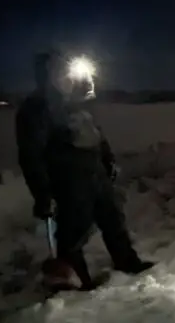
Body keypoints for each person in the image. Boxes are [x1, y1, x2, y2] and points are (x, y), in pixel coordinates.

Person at [16, 50, 153, 290]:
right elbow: (31, 155)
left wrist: (108, 161)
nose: (66, 76)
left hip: (95, 174)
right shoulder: (36, 108)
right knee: (72, 232)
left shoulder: (76, 103)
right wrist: (42, 194)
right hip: (68, 181)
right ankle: (76, 280)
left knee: (113, 221)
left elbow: (96, 135)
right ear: (47, 74)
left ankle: (127, 263)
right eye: (59, 70)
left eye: (65, 69)